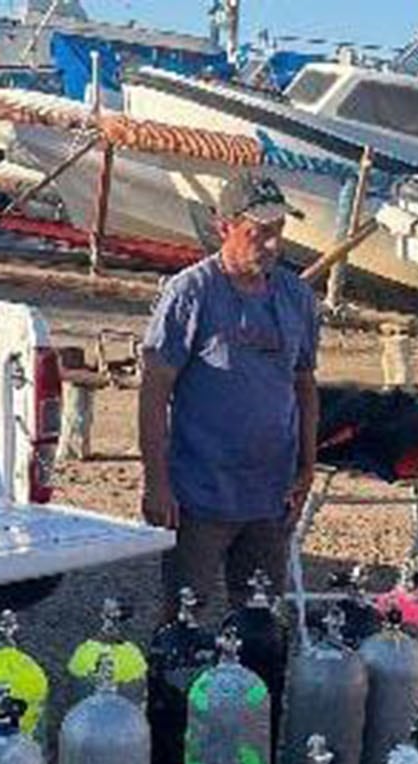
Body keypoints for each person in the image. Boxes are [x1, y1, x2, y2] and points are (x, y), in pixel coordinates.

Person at [139, 173, 321, 615]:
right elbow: (154, 387)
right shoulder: (192, 292)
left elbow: (305, 384)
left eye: (279, 231)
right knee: (186, 613)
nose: (273, 245)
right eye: (259, 233)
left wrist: (307, 466)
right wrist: (157, 482)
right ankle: (175, 685)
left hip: (270, 490)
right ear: (225, 228)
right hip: (201, 491)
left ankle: (262, 683)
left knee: (260, 615)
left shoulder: (296, 296)